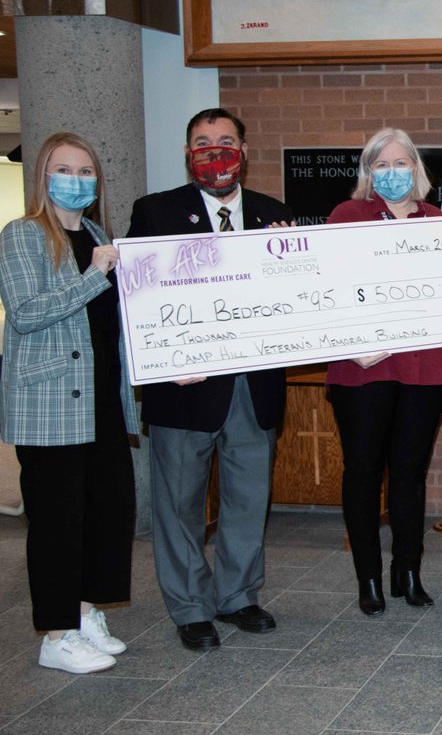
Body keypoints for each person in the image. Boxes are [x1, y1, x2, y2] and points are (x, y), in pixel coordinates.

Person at [127, 108, 294, 652]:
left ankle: (238, 595)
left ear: (244, 151)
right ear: (187, 152)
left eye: (225, 141)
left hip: (253, 384)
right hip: (183, 386)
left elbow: (294, 299)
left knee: (249, 497)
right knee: (179, 504)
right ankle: (190, 606)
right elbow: (137, 298)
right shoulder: (155, 212)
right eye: (202, 142)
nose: (214, 151)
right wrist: (160, 357)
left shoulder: (274, 214)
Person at [324, 128, 442, 616]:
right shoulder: (346, 217)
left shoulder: (438, 221)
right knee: (364, 472)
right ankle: (368, 578)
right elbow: (324, 288)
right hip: (363, 366)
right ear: (368, 173)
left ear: (417, 170)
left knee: (410, 475)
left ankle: (408, 571)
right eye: (382, 164)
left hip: (422, 365)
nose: (392, 173)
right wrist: (353, 343)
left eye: (401, 163)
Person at [0, 133, 136, 673]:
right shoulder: (24, 235)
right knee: (57, 522)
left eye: (85, 172)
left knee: (107, 513)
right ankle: (55, 634)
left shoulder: (98, 234)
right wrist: (93, 276)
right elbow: (27, 311)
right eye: (64, 169)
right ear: (43, 176)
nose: (76, 180)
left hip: (102, 401)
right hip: (50, 404)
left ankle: (84, 615)